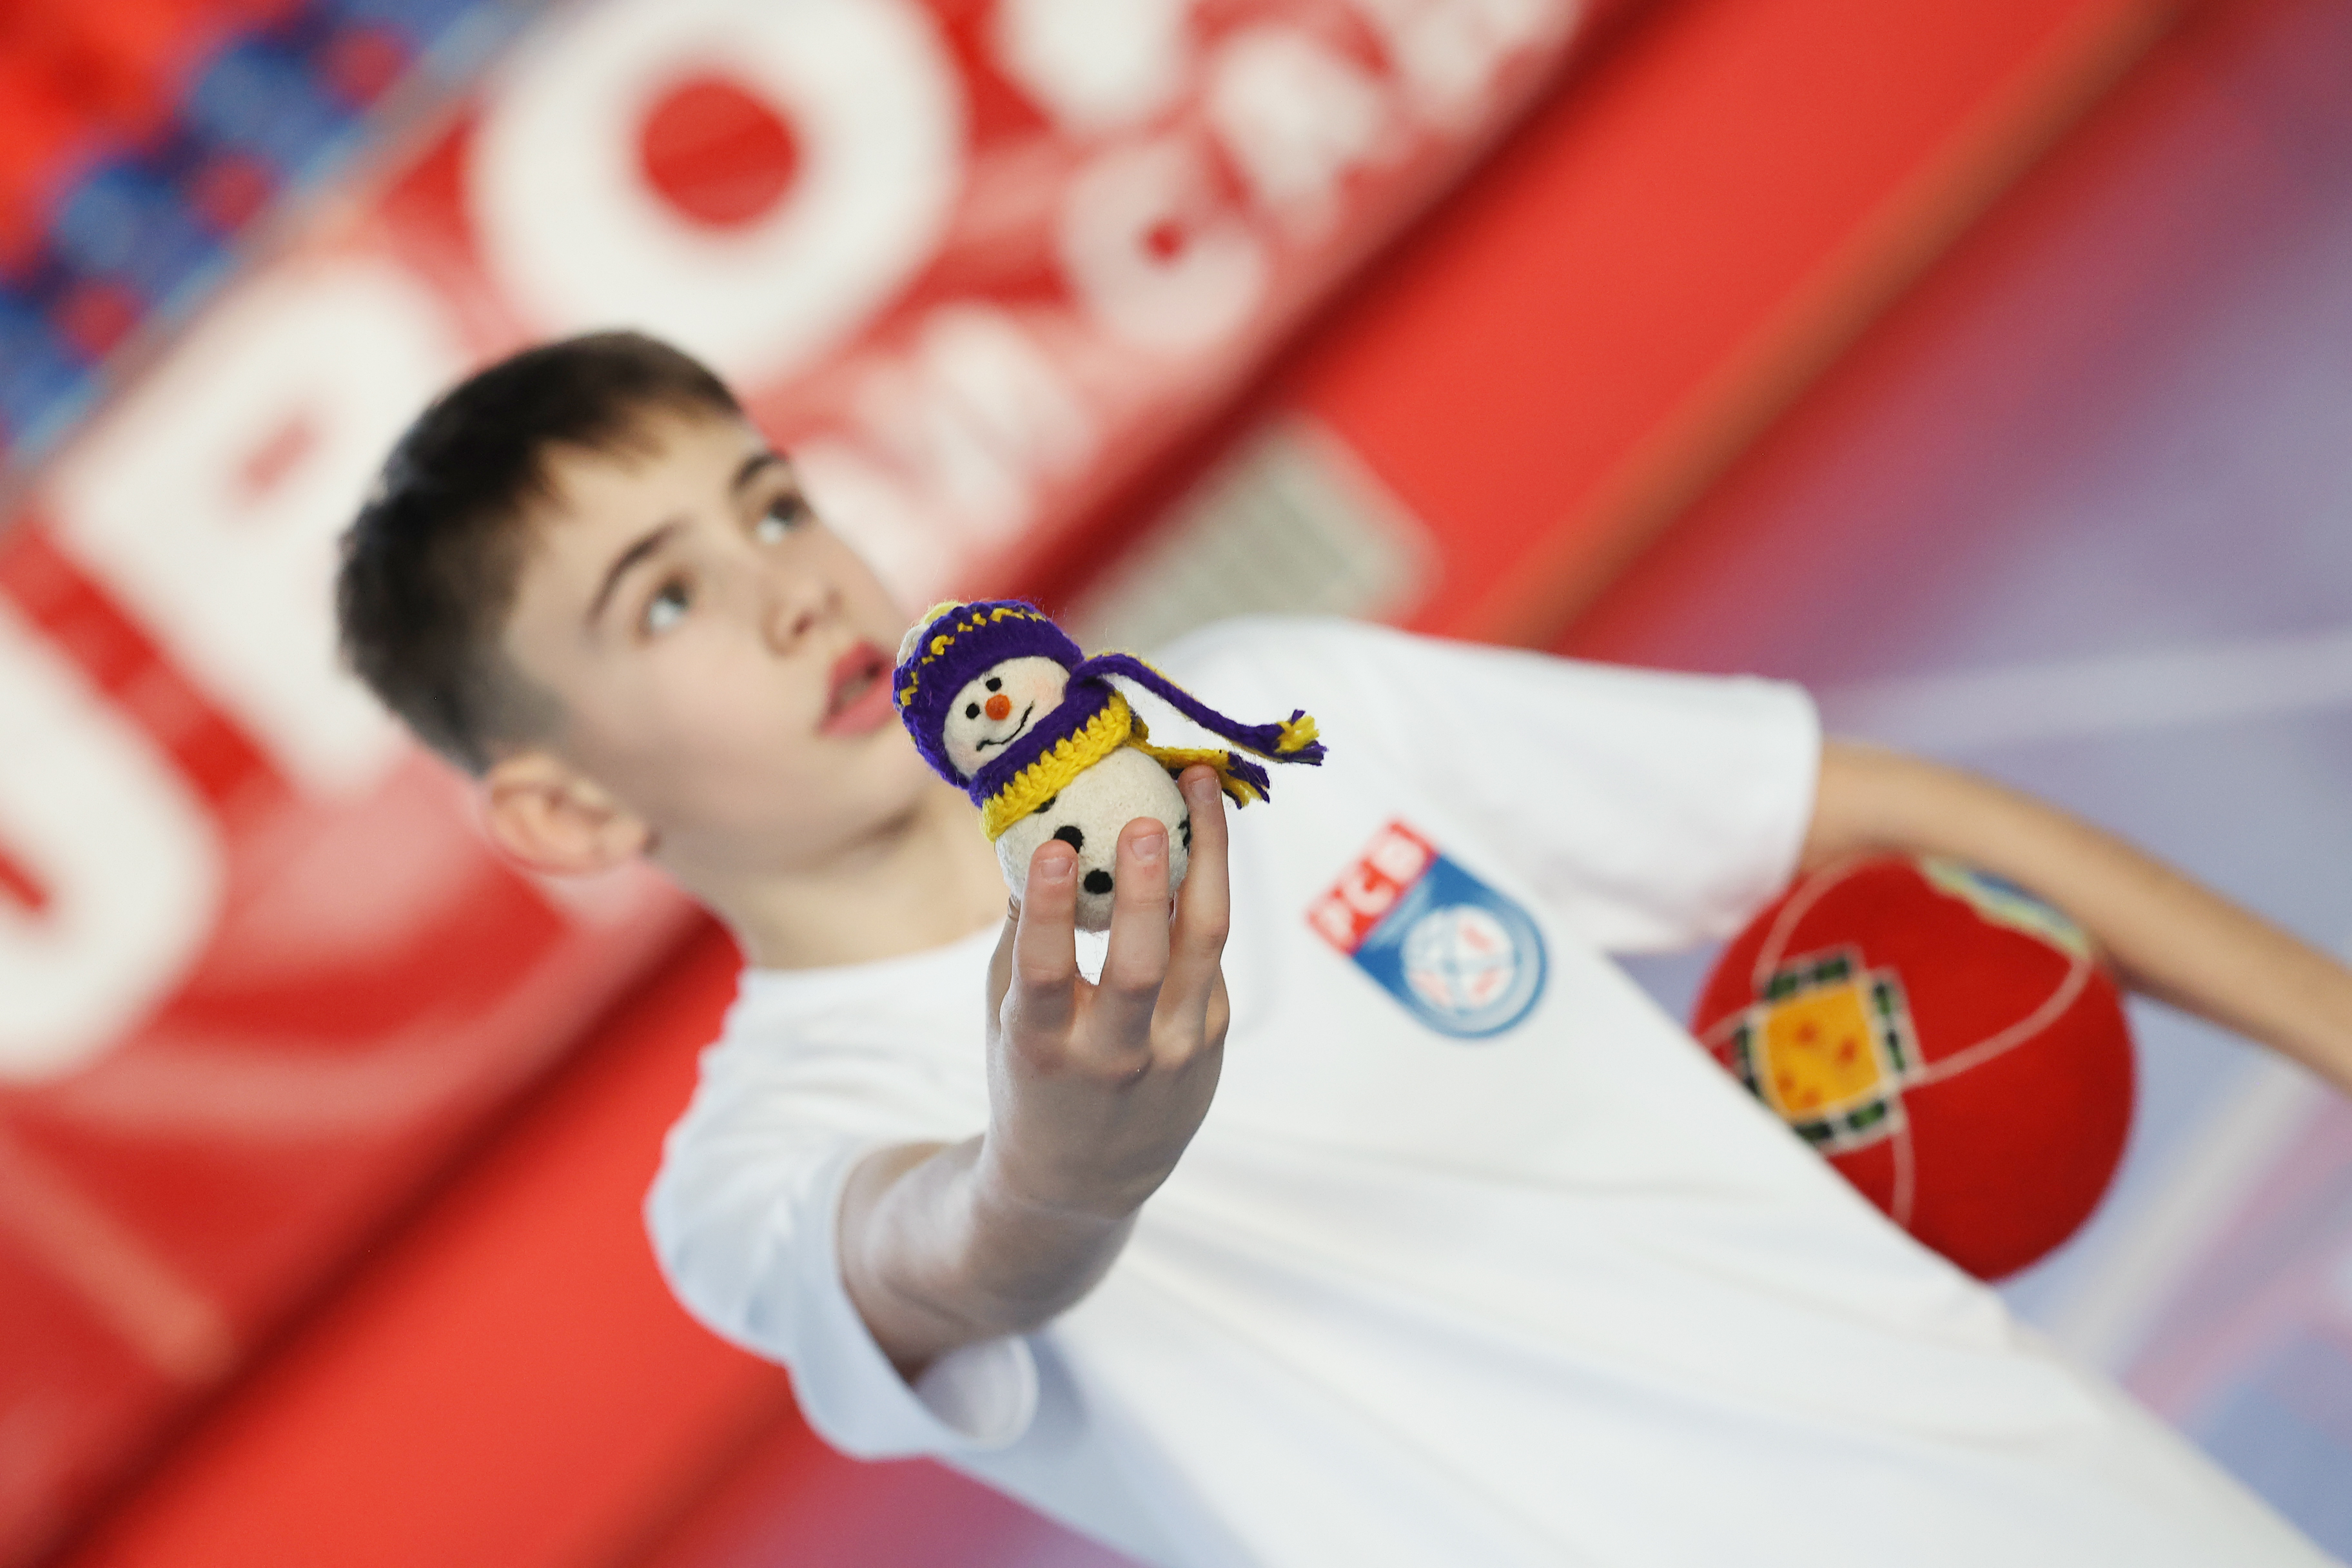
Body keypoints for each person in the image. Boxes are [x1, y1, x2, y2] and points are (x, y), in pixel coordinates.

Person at [336, 331, 2349, 1567]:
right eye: (663, 598)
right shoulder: (758, 1165)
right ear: (568, 812)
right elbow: (938, 1250)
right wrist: (1060, 1163)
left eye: (773, 508)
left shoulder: (1276, 714)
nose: (793, 592)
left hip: (2062, 1503)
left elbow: (1875, 811)